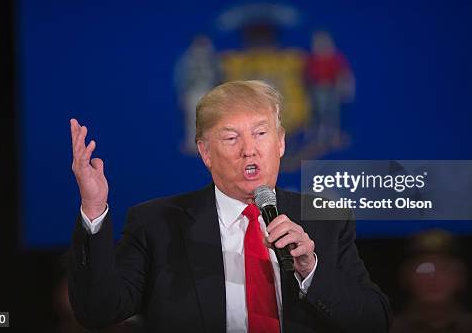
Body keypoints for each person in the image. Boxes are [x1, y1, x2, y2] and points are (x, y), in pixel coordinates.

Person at [68, 80, 391, 332]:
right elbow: (98, 312)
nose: (249, 150)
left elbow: (374, 323)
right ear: (205, 152)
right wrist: (94, 209)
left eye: (261, 133)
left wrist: (311, 268)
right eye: (231, 138)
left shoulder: (325, 217)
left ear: (280, 143)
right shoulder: (158, 223)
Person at [391, 228, 472, 333]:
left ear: (460, 276)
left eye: (444, 269)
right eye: (424, 270)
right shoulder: (387, 328)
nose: (433, 279)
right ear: (406, 276)